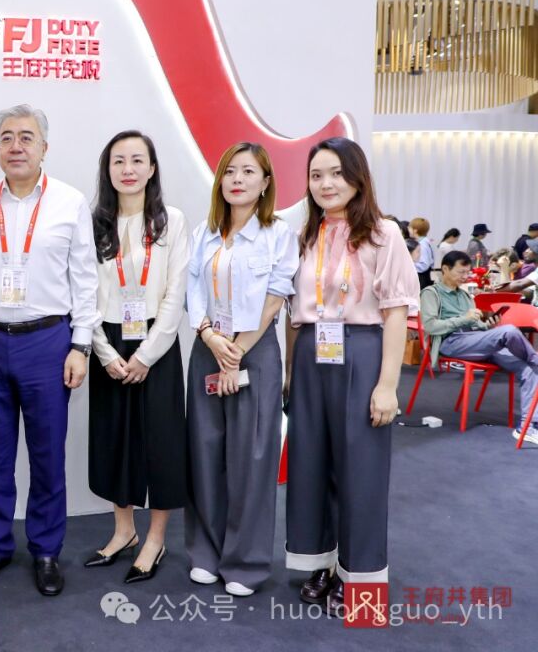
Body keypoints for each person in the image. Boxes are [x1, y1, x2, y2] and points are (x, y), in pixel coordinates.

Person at [0, 104, 100, 596]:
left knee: (47, 454)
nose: (16, 146)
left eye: (26, 137)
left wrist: (81, 345)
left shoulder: (69, 202)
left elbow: (85, 279)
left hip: (48, 342)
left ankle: (45, 550)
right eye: (6, 137)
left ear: (44, 147)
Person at [284, 137, 419, 619]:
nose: (326, 183)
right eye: (316, 175)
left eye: (337, 173)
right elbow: (294, 314)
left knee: (361, 470)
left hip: (361, 352)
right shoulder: (307, 234)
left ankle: (359, 577)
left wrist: (387, 385)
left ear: (358, 177)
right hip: (310, 355)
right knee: (311, 464)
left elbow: (396, 313)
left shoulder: (383, 233)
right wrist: (289, 372)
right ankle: (321, 563)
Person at [183, 142, 298, 597]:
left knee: (252, 459)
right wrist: (210, 337)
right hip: (208, 349)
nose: (237, 179)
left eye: (248, 172)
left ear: (265, 182)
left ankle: (245, 563)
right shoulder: (205, 233)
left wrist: (236, 350)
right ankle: (205, 553)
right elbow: (193, 289)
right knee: (205, 452)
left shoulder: (278, 234)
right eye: (230, 171)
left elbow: (275, 297)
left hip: (255, 352)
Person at [84, 131, 189, 583]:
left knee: (160, 442)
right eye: (118, 161)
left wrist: (146, 355)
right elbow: (82, 292)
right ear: (107, 170)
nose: (127, 169)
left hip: (156, 343)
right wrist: (104, 352)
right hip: (107, 341)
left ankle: (155, 538)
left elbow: (176, 293)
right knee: (115, 440)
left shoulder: (171, 221)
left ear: (151, 169)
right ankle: (124, 531)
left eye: (137, 160)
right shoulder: (93, 224)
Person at [426, 252, 538, 446]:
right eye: (461, 272)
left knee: (530, 369)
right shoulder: (431, 293)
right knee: (509, 331)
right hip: (451, 342)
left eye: (467, 273)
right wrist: (464, 320)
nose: (465, 277)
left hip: (475, 340)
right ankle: (535, 357)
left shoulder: (464, 295)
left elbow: (476, 325)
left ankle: (528, 427)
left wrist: (488, 325)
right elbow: (431, 327)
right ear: (445, 269)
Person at [409, 217, 435, 289]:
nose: (408, 229)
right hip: (424, 277)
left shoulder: (422, 244)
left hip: (422, 279)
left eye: (410, 228)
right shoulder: (425, 242)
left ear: (415, 230)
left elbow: (424, 265)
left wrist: (409, 265)